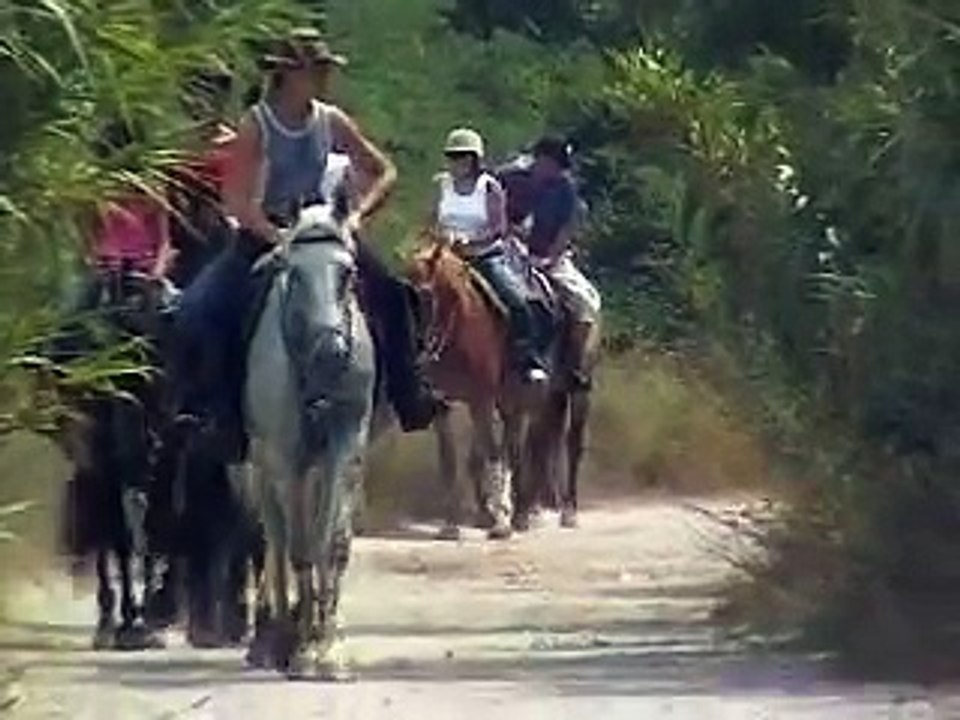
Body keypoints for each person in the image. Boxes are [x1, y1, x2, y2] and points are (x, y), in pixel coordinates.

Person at [176, 28, 438, 462]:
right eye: (316, 69)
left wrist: (357, 217)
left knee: (393, 294)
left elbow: (383, 170)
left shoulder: (330, 120)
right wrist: (274, 234)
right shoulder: (256, 124)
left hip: (323, 231)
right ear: (288, 74)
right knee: (198, 310)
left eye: (324, 69)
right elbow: (237, 201)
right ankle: (217, 416)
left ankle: (407, 395)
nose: (324, 77)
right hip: (265, 233)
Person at [428, 127, 547, 384]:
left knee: (516, 300)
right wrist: (439, 239)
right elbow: (430, 221)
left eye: (463, 156)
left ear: (474, 160)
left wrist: (470, 241)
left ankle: (525, 358)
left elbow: (498, 228)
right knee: (413, 293)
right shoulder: (441, 184)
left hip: (482, 255)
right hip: (444, 255)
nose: (457, 162)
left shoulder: (489, 187)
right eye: (453, 156)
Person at [519, 136, 601, 389]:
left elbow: (566, 231)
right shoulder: (516, 177)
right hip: (512, 251)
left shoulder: (566, 191)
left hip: (550, 257)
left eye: (556, 164)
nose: (551, 168)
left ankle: (575, 365)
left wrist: (548, 260)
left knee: (583, 303)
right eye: (548, 162)